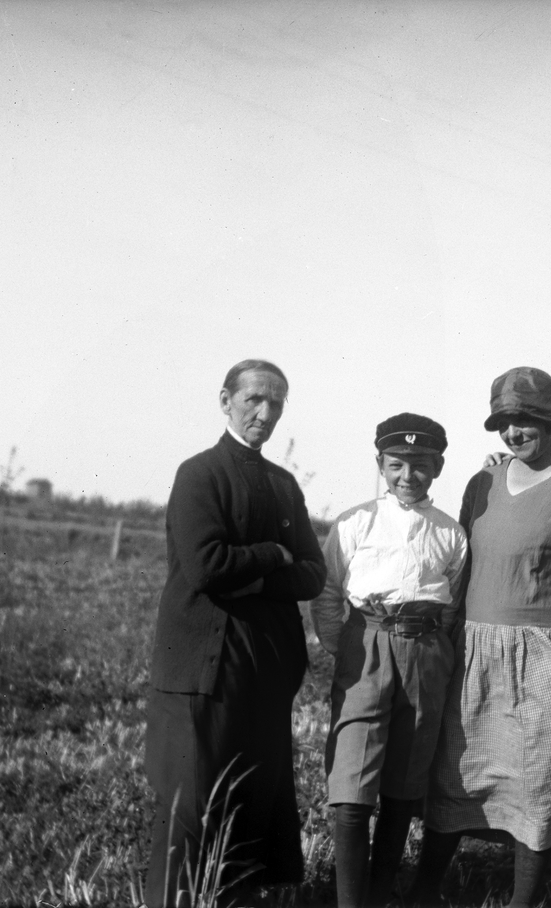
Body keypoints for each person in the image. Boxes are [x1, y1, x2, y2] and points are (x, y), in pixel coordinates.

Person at [410, 367, 551, 908]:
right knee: (458, 771)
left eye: (525, 420)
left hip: (549, 655)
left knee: (538, 780)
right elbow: (460, 563)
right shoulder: (482, 483)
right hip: (475, 651)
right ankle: (422, 890)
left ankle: (522, 900)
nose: (513, 432)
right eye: (504, 422)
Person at [144, 359, 327, 908]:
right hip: (203, 664)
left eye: (276, 403)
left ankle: (235, 898)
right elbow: (207, 568)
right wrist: (273, 553)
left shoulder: (283, 484)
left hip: (265, 668)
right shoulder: (199, 474)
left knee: (252, 794)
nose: (265, 413)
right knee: (192, 799)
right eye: (254, 400)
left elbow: (313, 574)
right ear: (226, 401)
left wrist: (257, 578)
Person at [310, 413, 469, 908]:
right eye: (397, 464)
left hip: (425, 652)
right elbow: (328, 594)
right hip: (366, 646)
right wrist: (345, 649)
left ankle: (380, 895)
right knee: (352, 783)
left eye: (420, 465)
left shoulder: (451, 533)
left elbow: (452, 604)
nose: (408, 476)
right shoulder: (355, 522)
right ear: (380, 464)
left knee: (405, 780)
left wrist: (432, 651)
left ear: (438, 467)